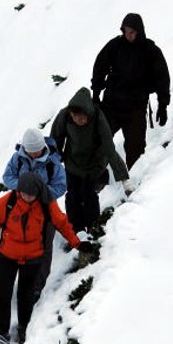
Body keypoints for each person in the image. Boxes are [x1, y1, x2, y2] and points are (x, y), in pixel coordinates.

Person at [0, 172, 90, 344]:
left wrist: (77, 243)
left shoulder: (46, 204)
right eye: (23, 193)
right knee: (3, 296)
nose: (27, 197)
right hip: (7, 257)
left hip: (33, 258)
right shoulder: (7, 203)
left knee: (25, 296)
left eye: (31, 194)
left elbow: (62, 224)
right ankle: (1, 334)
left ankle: (24, 328)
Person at [91, 13, 171, 168]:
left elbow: (162, 78)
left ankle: (134, 186)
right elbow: (100, 67)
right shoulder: (115, 46)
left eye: (132, 32)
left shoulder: (150, 50)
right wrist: (95, 94)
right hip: (111, 105)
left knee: (136, 151)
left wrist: (163, 105)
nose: (128, 35)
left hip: (135, 108)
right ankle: (98, 180)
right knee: (98, 141)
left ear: (139, 31)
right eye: (126, 31)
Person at [51, 87, 132, 234]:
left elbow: (109, 147)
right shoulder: (64, 116)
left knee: (88, 194)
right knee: (73, 195)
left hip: (94, 162)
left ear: (87, 113)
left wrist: (123, 178)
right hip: (73, 161)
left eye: (82, 117)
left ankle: (93, 227)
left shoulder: (98, 118)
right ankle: (76, 229)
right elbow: (55, 139)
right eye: (75, 117)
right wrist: (57, 156)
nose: (79, 120)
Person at [2, 127, 68, 298]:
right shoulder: (18, 159)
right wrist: (23, 189)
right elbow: (7, 177)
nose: (32, 154)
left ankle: (36, 286)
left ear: (42, 147)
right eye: (29, 151)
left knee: (43, 248)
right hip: (20, 210)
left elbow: (61, 186)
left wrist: (41, 194)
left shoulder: (53, 163)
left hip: (46, 211)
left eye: (36, 151)